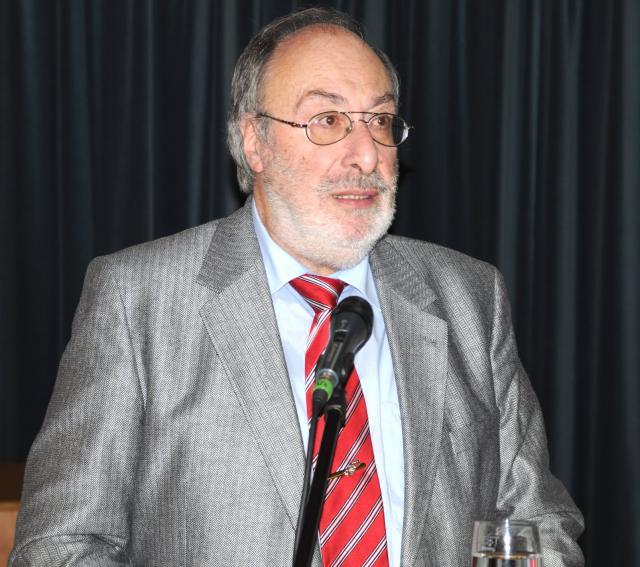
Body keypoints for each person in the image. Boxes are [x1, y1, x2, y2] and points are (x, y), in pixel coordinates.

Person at [10, 7, 584, 567]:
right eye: (327, 120)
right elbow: (59, 546)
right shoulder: (139, 301)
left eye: (380, 120)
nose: (366, 154)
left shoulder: (469, 298)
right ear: (254, 142)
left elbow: (538, 523)